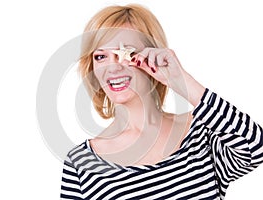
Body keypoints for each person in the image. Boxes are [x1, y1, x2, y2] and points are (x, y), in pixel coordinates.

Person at [60, 4, 263, 199]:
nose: (112, 68)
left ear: (152, 56)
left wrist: (181, 82)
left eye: (126, 53)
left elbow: (256, 147)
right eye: (101, 56)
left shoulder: (202, 132)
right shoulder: (81, 163)